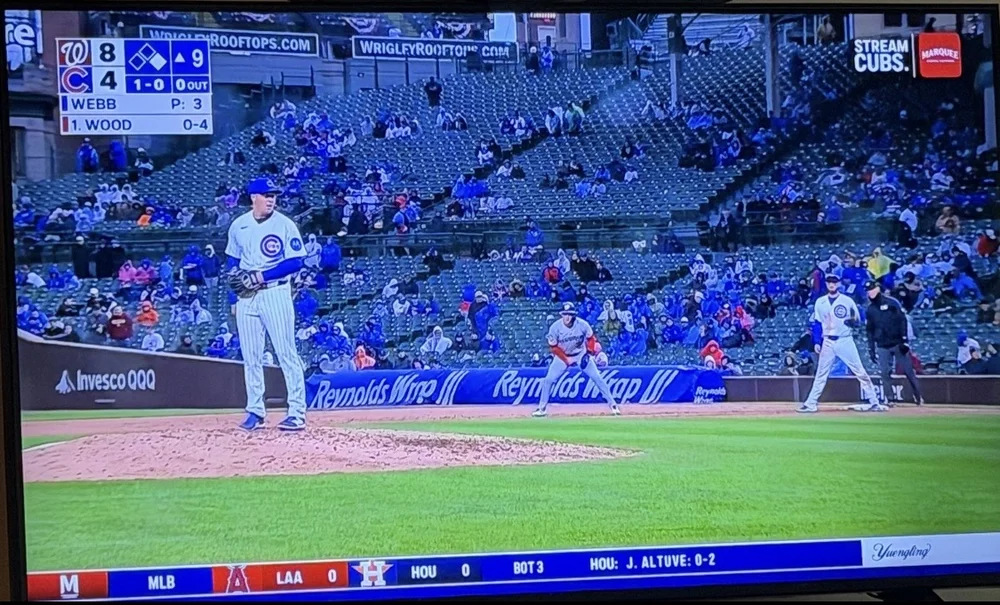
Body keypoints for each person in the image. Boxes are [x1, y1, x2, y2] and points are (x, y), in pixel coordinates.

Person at [225, 178, 308, 432]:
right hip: (247, 297)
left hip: (275, 293)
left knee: (286, 352)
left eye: (273, 195)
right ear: (253, 198)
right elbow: (231, 261)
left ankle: (296, 411)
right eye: (266, 194)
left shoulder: (284, 224)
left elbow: (296, 262)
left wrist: (261, 276)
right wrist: (233, 298)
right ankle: (255, 410)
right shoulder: (239, 225)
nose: (271, 198)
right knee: (251, 356)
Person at [799, 275, 885, 413]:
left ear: (838, 284)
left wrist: (853, 323)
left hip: (845, 339)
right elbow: (817, 323)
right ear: (826, 284)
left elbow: (858, 320)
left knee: (859, 371)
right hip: (827, 340)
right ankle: (810, 403)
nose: (831, 285)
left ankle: (874, 402)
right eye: (829, 283)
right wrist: (816, 341)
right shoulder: (820, 302)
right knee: (821, 373)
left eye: (834, 282)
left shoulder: (847, 301)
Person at [532, 303, 621, 417]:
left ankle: (613, 405)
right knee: (548, 380)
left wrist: (588, 352)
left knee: (597, 378)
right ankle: (541, 409)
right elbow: (554, 348)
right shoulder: (555, 327)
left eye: (570, 314)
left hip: (580, 354)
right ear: (561, 315)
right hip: (562, 356)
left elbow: (591, 339)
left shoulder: (582, 324)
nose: (567, 317)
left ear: (574, 315)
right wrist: (565, 359)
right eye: (565, 314)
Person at [864, 280, 924, 406]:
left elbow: (902, 321)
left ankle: (918, 396)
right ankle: (889, 398)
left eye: (872, 289)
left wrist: (904, 340)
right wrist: (871, 349)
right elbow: (869, 330)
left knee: (908, 370)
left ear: (878, 289)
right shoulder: (870, 309)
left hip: (897, 342)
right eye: (868, 291)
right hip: (882, 344)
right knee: (884, 372)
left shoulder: (892, 303)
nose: (870, 293)